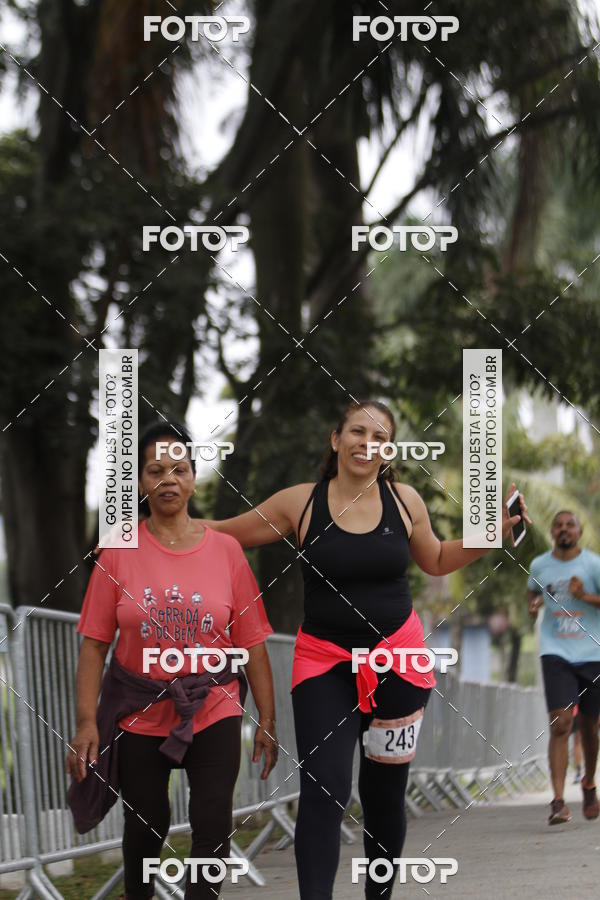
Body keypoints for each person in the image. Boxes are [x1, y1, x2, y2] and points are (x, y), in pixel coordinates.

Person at [206, 399, 527, 900]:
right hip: (324, 666)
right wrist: (140, 535)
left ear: (390, 450)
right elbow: (225, 534)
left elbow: (437, 559)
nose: (367, 443)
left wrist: (493, 532)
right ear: (336, 439)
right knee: (324, 789)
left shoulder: (405, 501)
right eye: (358, 431)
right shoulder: (301, 503)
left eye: (380, 437)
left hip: (399, 666)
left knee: (383, 798)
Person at [66, 423, 277, 900]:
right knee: (146, 824)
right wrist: (86, 723)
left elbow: (253, 643)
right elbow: (94, 645)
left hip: (214, 704)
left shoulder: (226, 551)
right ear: (140, 482)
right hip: (139, 709)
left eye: (179, 469)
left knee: (212, 826)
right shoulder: (117, 550)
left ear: (193, 480)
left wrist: (267, 719)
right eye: (155, 470)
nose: (168, 479)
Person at [527, 510, 600, 825]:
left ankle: (589, 784)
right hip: (555, 652)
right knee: (560, 724)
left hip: (592, 653)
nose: (564, 529)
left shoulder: (594, 564)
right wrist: (533, 606)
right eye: (558, 525)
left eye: (570, 525)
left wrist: (585, 596)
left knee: (590, 728)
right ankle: (558, 801)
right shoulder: (539, 565)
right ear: (552, 532)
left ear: (579, 532)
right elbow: (532, 593)